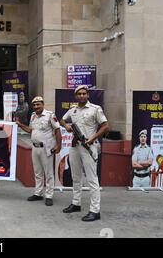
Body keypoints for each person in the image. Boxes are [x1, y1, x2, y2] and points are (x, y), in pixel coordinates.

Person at [59, 85, 109, 222]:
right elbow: (62, 119)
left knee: (92, 180)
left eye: (84, 93)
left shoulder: (95, 109)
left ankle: (95, 210)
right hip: (75, 146)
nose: (81, 96)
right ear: (76, 96)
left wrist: (92, 138)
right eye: (79, 94)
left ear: (88, 95)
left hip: (89, 146)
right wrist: (66, 126)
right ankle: (76, 203)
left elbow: (105, 126)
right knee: (76, 177)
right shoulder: (73, 110)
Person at [16, 96, 62, 206]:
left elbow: (57, 130)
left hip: (46, 148)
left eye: (38, 104)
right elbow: (30, 130)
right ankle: (38, 193)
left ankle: (49, 195)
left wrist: (59, 146)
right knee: (38, 173)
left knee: (48, 173)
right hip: (35, 148)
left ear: (43, 104)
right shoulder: (33, 116)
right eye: (35, 105)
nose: (36, 107)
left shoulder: (50, 115)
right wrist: (20, 124)